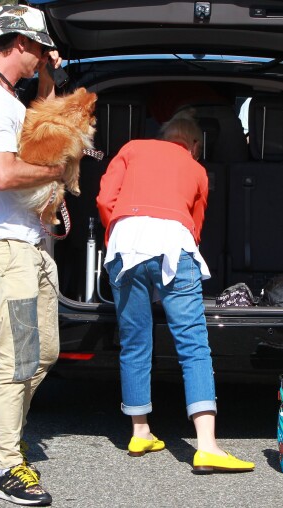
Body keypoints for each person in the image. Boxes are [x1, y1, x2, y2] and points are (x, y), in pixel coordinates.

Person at [96, 111, 255, 473]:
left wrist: (119, 233)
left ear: (166, 134)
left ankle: (140, 431)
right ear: (195, 145)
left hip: (126, 245)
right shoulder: (196, 169)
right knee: (193, 344)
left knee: (135, 339)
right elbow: (195, 225)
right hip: (172, 245)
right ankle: (207, 446)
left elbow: (105, 200)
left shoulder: (132, 148)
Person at [0, 4, 64, 506]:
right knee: (18, 358)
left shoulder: (8, 98)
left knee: (43, 353)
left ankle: (2, 436)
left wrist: (47, 78)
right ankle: (7, 463)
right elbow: (3, 174)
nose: (43, 55)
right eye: (40, 49)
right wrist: (56, 174)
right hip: (5, 249)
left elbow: (42, 124)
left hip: (27, 243)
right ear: (19, 43)